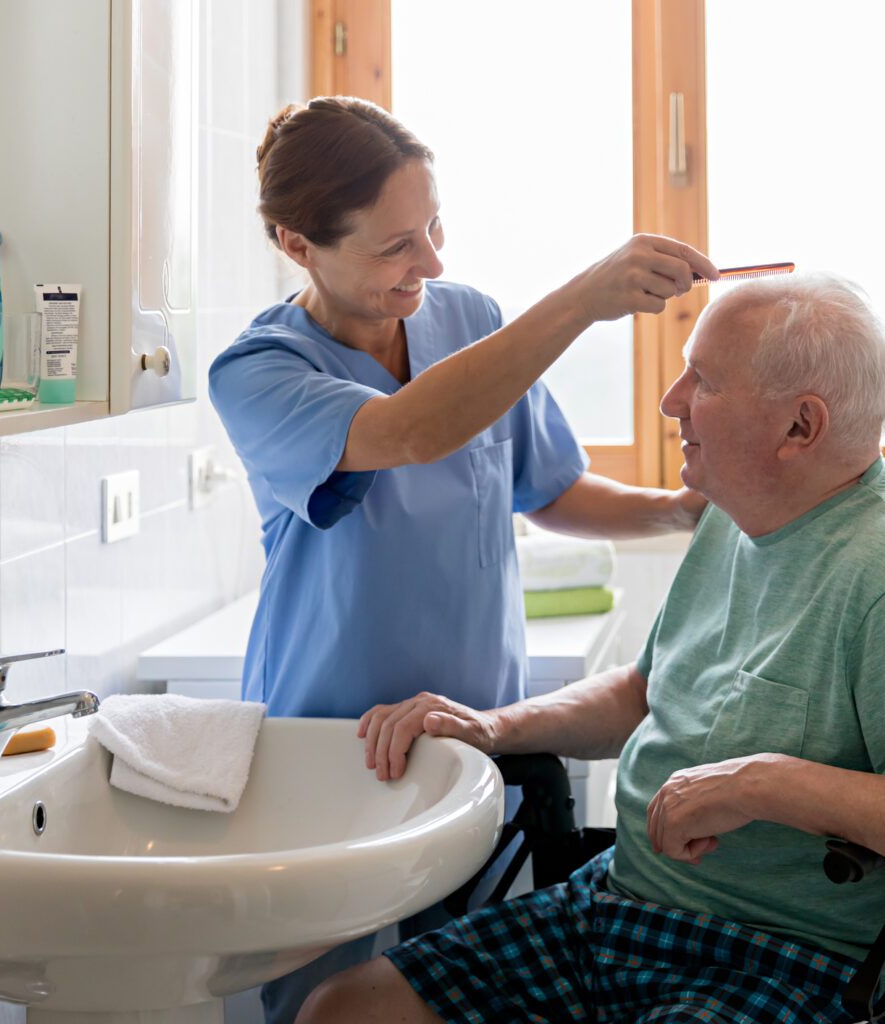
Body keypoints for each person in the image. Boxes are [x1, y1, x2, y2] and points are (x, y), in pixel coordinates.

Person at [300, 272, 885, 1024]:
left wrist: (766, 784)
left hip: (795, 959)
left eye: (706, 381)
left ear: (801, 428)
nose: (671, 401)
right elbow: (644, 693)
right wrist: (496, 725)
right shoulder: (740, 508)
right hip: (623, 910)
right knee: (341, 1011)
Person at [207, 96, 718, 1024]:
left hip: (479, 736)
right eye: (396, 245)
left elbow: (546, 486)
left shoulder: (470, 318)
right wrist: (581, 301)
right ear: (297, 244)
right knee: (329, 1004)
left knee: (467, 989)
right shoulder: (258, 373)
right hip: (336, 755)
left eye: (435, 226)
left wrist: (681, 512)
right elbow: (405, 432)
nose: (431, 262)